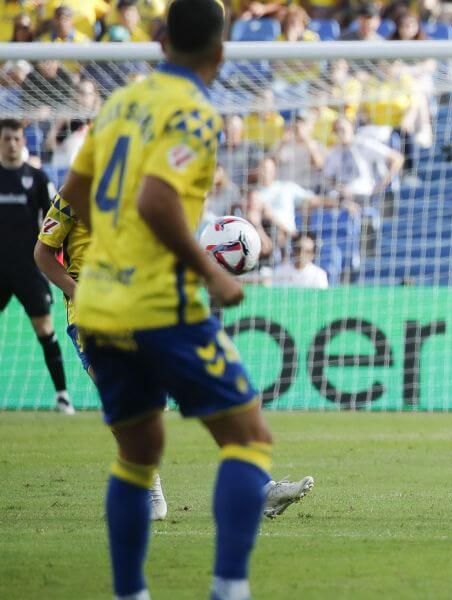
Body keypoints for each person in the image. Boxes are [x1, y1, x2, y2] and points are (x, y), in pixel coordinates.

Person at [57, 2, 313, 598]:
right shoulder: (195, 113)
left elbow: (76, 193)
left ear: (162, 40)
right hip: (158, 303)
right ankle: (228, 588)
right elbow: (155, 203)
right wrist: (214, 274)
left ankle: (130, 592)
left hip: (98, 307)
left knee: (139, 453)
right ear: (219, 53)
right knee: (249, 439)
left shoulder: (118, 106)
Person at [0, 119, 72, 415]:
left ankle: (63, 396)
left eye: (16, 138)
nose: (12, 144)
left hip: (29, 268)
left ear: (24, 141)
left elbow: (54, 222)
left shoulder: (39, 178)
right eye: (6, 139)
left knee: (44, 328)